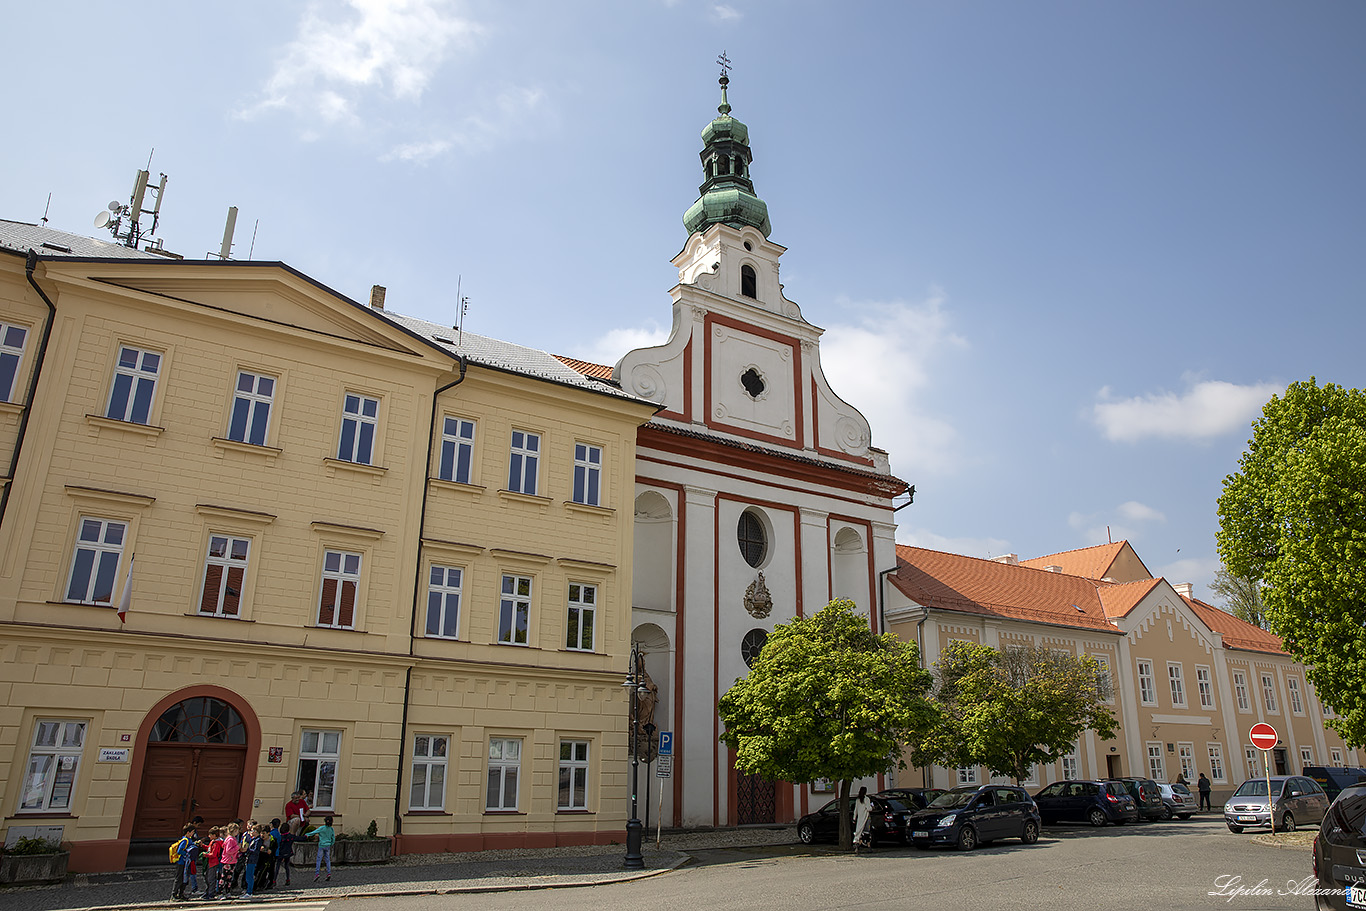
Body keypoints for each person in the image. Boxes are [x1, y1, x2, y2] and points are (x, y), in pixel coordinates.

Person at [306, 814, 336, 882]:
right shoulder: (331, 829)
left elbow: (314, 832)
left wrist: (307, 834)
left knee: (319, 859)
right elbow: (333, 838)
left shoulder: (322, 828)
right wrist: (331, 843)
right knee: (327, 860)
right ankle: (329, 873)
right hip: (328, 845)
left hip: (321, 845)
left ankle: (317, 873)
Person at [171, 822, 197, 902]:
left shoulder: (189, 840)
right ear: (188, 832)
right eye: (192, 832)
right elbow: (179, 851)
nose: (193, 834)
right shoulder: (185, 840)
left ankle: (181, 894)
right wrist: (186, 852)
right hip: (182, 863)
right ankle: (174, 894)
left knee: (185, 879)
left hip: (186, 863)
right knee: (179, 878)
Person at [202, 827, 223, 901]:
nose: (209, 836)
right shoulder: (213, 842)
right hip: (210, 862)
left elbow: (213, 854)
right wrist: (203, 845)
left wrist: (206, 855)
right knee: (207, 877)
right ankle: (207, 892)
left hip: (213, 863)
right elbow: (209, 848)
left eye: (210, 835)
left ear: (214, 835)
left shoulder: (216, 843)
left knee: (211, 878)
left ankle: (211, 893)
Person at [852, 786, 872, 853]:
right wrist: (872, 807)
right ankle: (868, 845)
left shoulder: (858, 800)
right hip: (866, 817)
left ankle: (858, 844)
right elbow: (868, 808)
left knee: (859, 831)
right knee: (867, 831)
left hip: (859, 818)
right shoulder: (866, 799)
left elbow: (856, 810)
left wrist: (854, 818)